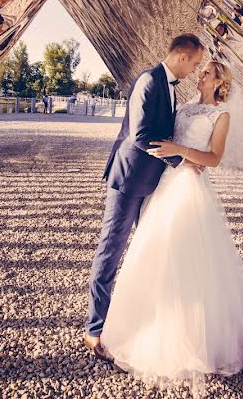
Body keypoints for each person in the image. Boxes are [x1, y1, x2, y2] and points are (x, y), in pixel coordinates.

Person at [97, 59, 243, 390]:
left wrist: (181, 152)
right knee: (154, 253)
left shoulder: (220, 115)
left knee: (187, 258)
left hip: (190, 190)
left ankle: (195, 339)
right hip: (167, 183)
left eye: (207, 72)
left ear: (218, 82)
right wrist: (171, 155)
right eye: (201, 69)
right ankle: (147, 323)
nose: (200, 74)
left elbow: (213, 159)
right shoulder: (185, 107)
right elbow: (160, 139)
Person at [83, 34, 205, 359]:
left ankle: (135, 319)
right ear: (181, 55)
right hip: (128, 179)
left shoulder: (170, 87)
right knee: (111, 251)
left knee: (146, 251)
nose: (195, 70)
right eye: (194, 63)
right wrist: (181, 161)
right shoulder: (149, 81)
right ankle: (94, 330)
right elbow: (140, 135)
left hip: (150, 181)